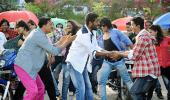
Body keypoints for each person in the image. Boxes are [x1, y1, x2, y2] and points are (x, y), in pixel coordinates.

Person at [13, 17, 76, 100]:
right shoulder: (38, 35)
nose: (52, 26)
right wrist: (67, 42)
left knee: (40, 89)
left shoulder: (40, 33)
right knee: (33, 91)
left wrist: (62, 41)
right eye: (50, 24)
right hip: (23, 67)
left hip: (30, 68)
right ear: (44, 25)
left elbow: (50, 47)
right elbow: (54, 51)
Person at [65, 12, 117, 100]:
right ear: (90, 23)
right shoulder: (83, 34)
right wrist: (109, 53)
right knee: (80, 88)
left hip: (82, 64)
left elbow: (96, 47)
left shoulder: (92, 32)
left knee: (88, 87)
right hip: (74, 63)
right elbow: (93, 52)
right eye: (97, 21)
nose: (99, 24)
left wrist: (109, 52)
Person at [117, 17, 160, 100]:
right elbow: (134, 51)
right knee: (140, 93)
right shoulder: (144, 35)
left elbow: (134, 56)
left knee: (134, 92)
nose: (131, 27)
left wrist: (119, 54)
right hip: (149, 71)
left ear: (138, 26)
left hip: (148, 72)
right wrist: (121, 53)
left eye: (132, 25)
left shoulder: (142, 38)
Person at [97, 17, 133, 100]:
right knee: (102, 82)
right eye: (101, 26)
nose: (101, 27)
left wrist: (133, 52)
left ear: (107, 25)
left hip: (119, 61)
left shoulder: (116, 32)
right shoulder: (101, 36)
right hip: (107, 62)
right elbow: (99, 48)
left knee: (127, 80)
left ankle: (136, 98)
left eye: (103, 26)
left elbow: (128, 41)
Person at [62, 20, 80, 100]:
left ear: (74, 25)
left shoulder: (77, 35)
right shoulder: (67, 35)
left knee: (77, 84)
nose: (68, 27)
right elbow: (62, 45)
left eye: (70, 25)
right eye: (67, 25)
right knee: (66, 83)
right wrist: (65, 34)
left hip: (75, 62)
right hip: (66, 61)